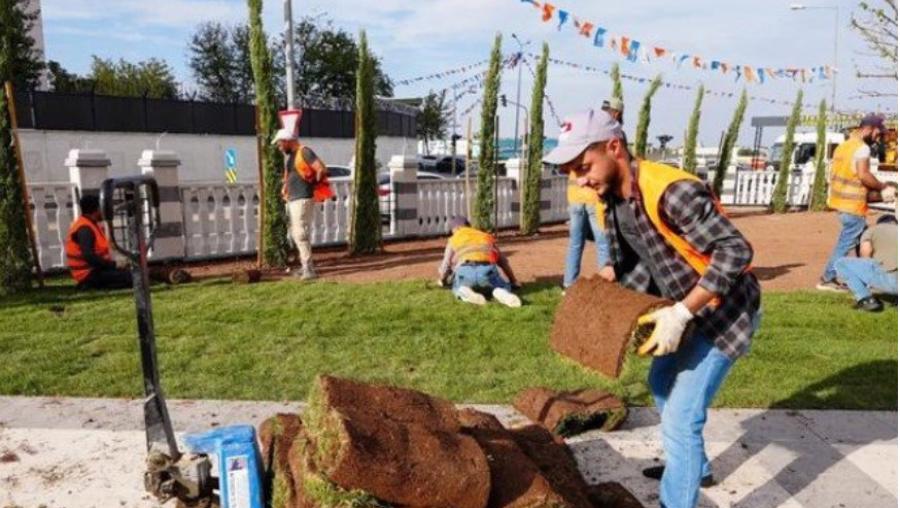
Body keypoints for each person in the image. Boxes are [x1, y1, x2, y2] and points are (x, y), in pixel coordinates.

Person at [544, 109, 760, 508]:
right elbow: (645, 256)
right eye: (572, 171)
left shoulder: (672, 191)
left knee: (681, 418)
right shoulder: (613, 198)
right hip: (688, 310)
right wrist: (613, 273)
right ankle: (695, 466)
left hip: (725, 313)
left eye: (584, 166)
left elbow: (736, 251)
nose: (579, 179)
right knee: (661, 384)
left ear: (614, 147)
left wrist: (681, 313)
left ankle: (676, 500)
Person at [818, 114, 896, 292]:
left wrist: (879, 195)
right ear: (868, 129)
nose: (878, 138)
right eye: (878, 133)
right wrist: (883, 187)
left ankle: (868, 276)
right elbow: (863, 176)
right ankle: (827, 279)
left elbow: (850, 178)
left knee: (865, 239)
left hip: (841, 203)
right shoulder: (862, 148)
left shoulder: (843, 147)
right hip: (853, 207)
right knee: (845, 244)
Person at [273, 128, 332, 280]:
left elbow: (321, 169)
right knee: (297, 233)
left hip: (303, 198)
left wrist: (312, 183)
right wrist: (286, 188)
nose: (279, 147)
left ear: (287, 141)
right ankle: (305, 266)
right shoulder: (291, 157)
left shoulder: (304, 152)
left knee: (300, 233)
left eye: (280, 144)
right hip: (294, 199)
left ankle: (308, 269)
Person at [437, 217, 522, 307]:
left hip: (465, 272)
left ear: (456, 229)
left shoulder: (454, 239)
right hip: (487, 272)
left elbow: (446, 264)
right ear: (468, 226)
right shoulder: (484, 236)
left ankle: (464, 290)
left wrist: (442, 280)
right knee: (501, 285)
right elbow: (503, 262)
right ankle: (500, 291)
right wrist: (514, 281)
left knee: (457, 286)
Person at [564, 159, 613, 290]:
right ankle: (606, 285)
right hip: (593, 200)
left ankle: (569, 284)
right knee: (603, 243)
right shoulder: (591, 153)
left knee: (575, 244)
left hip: (575, 199)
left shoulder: (572, 155)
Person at [65, 195, 132, 290]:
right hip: (88, 274)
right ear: (97, 209)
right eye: (102, 208)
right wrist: (114, 265)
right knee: (131, 277)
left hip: (95, 270)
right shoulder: (85, 229)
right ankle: (89, 285)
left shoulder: (91, 224)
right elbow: (89, 257)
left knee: (130, 274)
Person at [834, 214, 898, 312]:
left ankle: (866, 300)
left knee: (841, 263)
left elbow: (866, 255)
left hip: (891, 282)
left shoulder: (872, 231)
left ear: (879, 223)